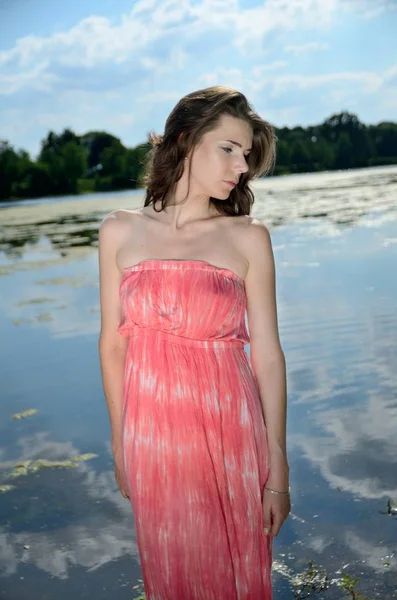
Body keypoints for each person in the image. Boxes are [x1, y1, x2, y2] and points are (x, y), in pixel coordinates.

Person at [98, 86, 290, 600]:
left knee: (234, 573)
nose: (241, 166)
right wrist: (120, 443)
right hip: (153, 437)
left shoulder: (248, 237)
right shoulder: (119, 231)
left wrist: (278, 466)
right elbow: (112, 346)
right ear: (184, 140)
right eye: (229, 148)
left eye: (247, 155)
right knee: (172, 573)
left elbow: (268, 356)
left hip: (231, 429)